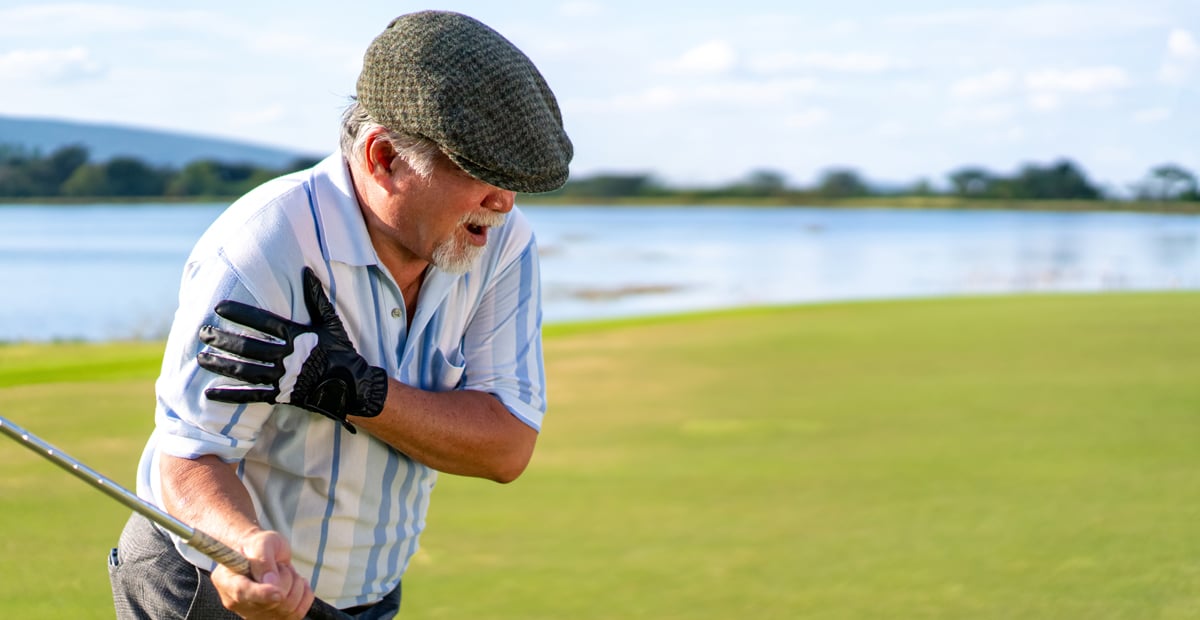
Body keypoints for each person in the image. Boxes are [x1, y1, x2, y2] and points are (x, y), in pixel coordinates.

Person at [108, 10, 571, 619]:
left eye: (514, 183)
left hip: (369, 596)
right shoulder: (261, 247)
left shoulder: (499, 241)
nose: (504, 202)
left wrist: (355, 389)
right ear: (383, 157)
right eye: (481, 175)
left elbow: (506, 447)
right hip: (211, 586)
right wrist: (241, 549)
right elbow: (190, 454)